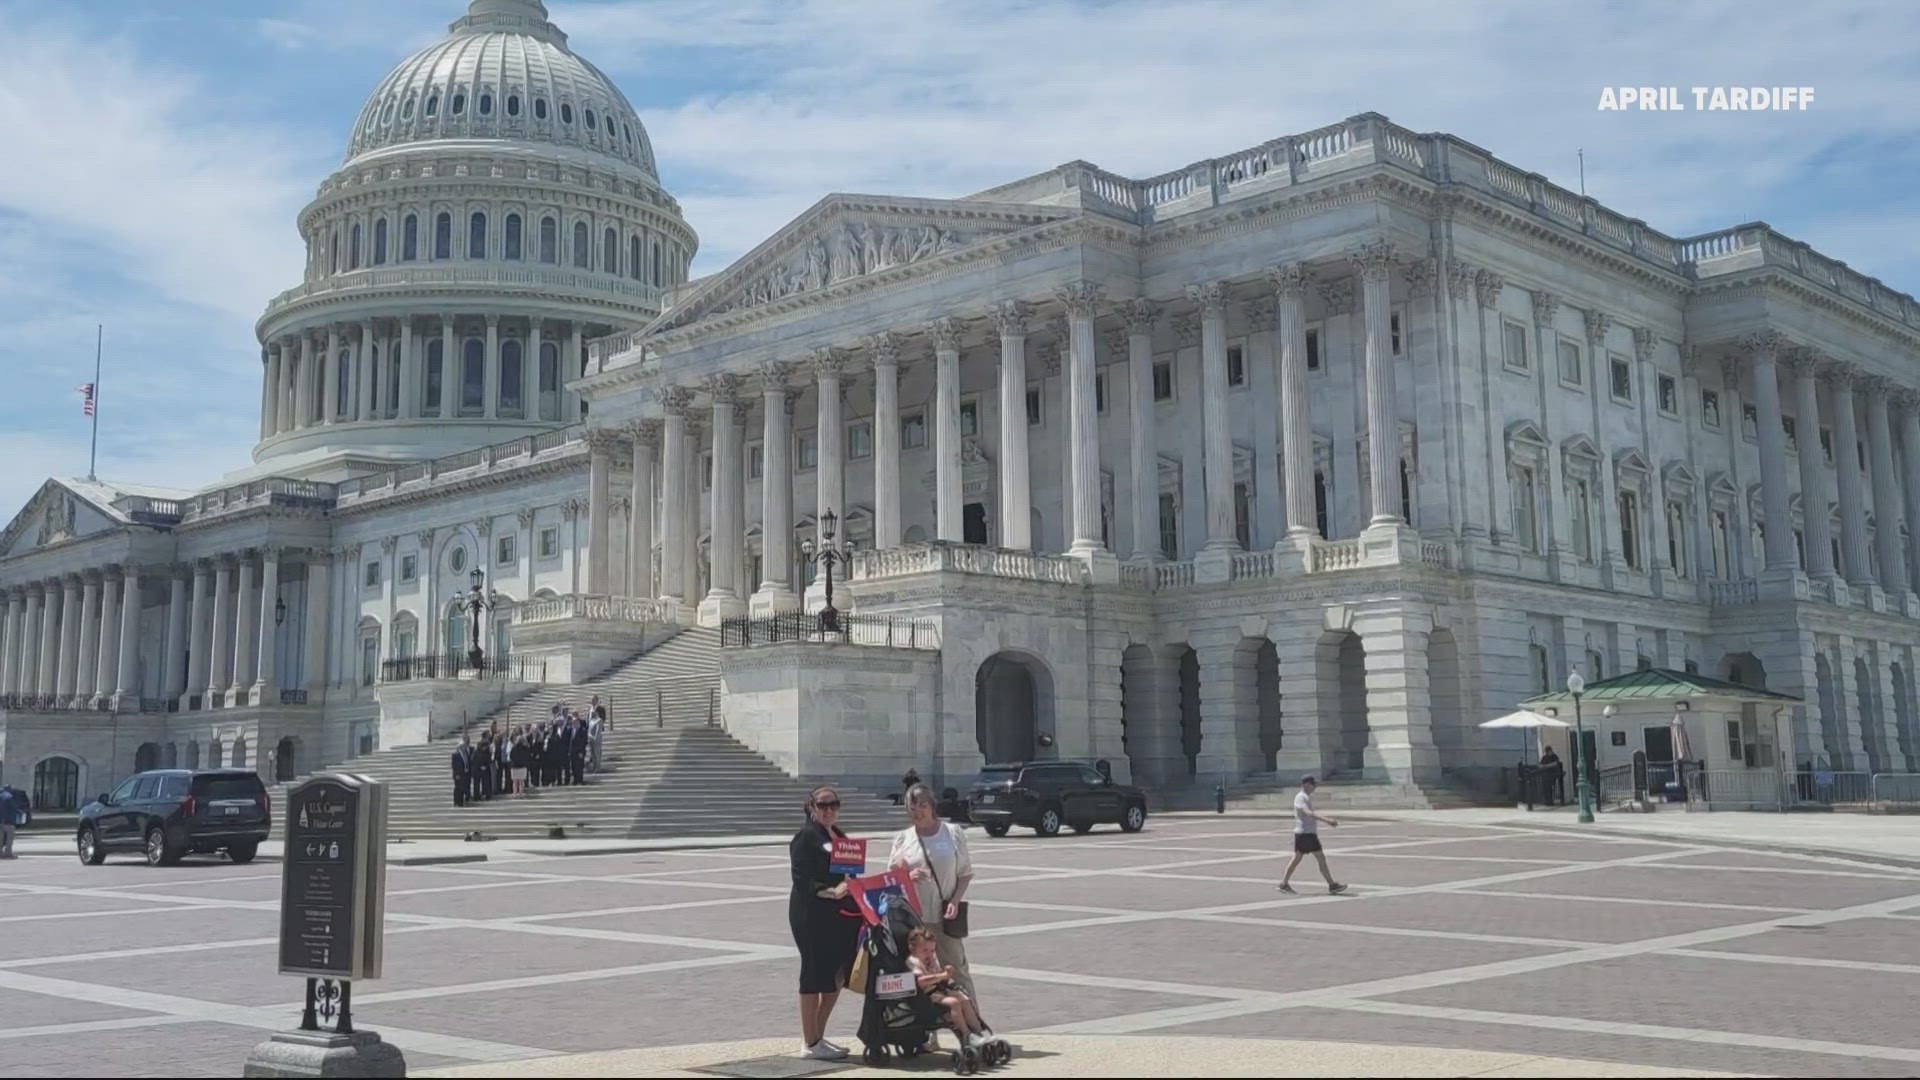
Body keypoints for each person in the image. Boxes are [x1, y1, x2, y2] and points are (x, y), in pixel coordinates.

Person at [790, 786, 861, 1060]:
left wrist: (854, 885)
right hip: (811, 914)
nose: (829, 809)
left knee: (838, 973)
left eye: (834, 804)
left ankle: (817, 1036)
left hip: (839, 914)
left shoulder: (840, 836)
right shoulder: (806, 837)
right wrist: (830, 891)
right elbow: (801, 879)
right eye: (823, 805)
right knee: (812, 972)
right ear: (811, 807)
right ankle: (810, 1042)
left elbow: (851, 872)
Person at [887, 783, 974, 996]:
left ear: (932, 806)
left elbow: (965, 873)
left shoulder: (952, 833)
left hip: (945, 916)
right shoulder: (903, 838)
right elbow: (890, 878)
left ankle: (971, 1023)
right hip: (915, 919)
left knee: (957, 969)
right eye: (912, 807)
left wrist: (954, 901)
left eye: (922, 805)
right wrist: (908, 877)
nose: (917, 811)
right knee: (920, 975)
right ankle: (928, 1027)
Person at [907, 925, 988, 1047]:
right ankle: (966, 1034)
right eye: (925, 950)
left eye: (932, 950)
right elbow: (921, 981)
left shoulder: (932, 960)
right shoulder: (913, 961)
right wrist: (941, 976)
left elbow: (940, 975)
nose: (929, 954)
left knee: (965, 999)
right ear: (913, 949)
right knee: (954, 1002)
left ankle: (978, 1031)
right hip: (925, 995)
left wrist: (946, 972)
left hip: (938, 991)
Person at [1278, 776, 1344, 895]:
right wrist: (1327, 820)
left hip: (1307, 833)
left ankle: (1284, 884)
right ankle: (1331, 885)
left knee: (1310, 858)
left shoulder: (1305, 797)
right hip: (1305, 833)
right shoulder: (1301, 797)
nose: (1315, 787)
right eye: (1313, 784)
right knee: (1306, 858)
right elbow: (1307, 812)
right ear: (1306, 784)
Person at [451, 734, 474, 807]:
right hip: (459, 774)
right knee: (458, 788)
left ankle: (462, 801)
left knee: (464, 787)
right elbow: (454, 766)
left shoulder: (466, 754)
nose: (464, 747)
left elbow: (467, 762)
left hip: (465, 773)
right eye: (463, 746)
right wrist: (456, 774)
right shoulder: (456, 755)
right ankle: (457, 802)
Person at [0, 784, 18, 859]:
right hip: (8, 821)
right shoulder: (10, 797)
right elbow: (12, 808)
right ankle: (8, 852)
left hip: (0, 821)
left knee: (0, 838)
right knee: (9, 838)